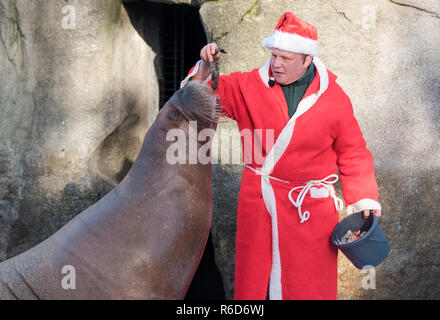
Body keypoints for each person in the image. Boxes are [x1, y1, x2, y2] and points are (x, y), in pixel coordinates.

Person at [180, 11, 381, 300]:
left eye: (285, 58)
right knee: (255, 286)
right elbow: (196, 100)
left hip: (309, 209)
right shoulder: (247, 86)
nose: (275, 64)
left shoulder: (334, 99)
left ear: (307, 59)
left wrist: (363, 199)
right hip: (259, 201)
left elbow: (354, 152)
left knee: (309, 286)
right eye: (274, 55)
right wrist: (204, 68)